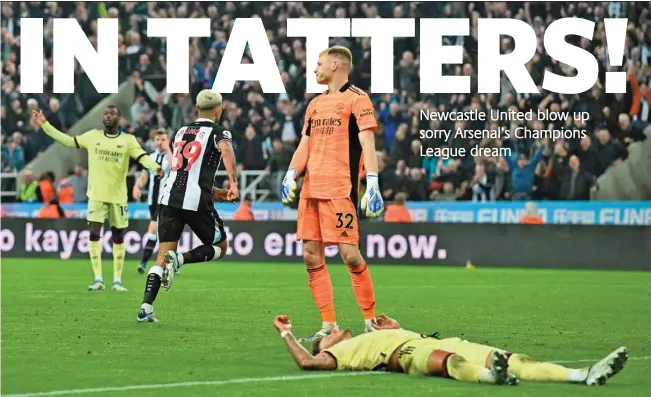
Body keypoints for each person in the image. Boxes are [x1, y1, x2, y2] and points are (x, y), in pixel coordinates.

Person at [280, 46, 385, 341]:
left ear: (337, 65)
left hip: (340, 189)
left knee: (350, 256)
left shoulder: (357, 99)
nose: (314, 69)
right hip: (311, 190)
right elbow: (305, 145)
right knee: (312, 257)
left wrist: (373, 182)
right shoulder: (313, 105)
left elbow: (368, 144)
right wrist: (291, 173)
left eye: (319, 63)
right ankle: (328, 326)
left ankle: (370, 321)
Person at [273, 314, 628, 387]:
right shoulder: (346, 353)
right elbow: (307, 362)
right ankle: (491, 378)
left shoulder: (372, 331)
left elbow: (392, 326)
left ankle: (582, 374)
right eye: (326, 338)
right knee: (450, 364)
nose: (331, 333)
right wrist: (287, 334)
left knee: (515, 358)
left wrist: (392, 324)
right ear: (329, 348)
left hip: (432, 339)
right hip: (408, 354)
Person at [32, 106, 163, 292]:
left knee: (118, 237)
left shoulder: (128, 140)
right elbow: (68, 141)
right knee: (94, 234)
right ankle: (98, 279)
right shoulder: (93, 136)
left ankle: (117, 280)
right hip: (96, 196)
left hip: (118, 197)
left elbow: (142, 157)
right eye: (106, 113)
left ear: (120, 118)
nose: (108, 116)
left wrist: (156, 167)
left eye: (113, 113)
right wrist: (45, 125)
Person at [136, 90, 238, 323]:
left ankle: (146, 307)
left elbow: (185, 170)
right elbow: (226, 150)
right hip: (195, 201)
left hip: (170, 199)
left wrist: (214, 191)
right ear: (219, 109)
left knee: (161, 256)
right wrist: (233, 183)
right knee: (221, 247)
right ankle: (181, 260)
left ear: (196, 108)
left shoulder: (181, 131)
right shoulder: (218, 131)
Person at [132, 129, 173, 275]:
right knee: (165, 235)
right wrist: (137, 186)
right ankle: (171, 264)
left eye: (163, 139)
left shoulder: (171, 156)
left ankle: (143, 263)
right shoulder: (150, 157)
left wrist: (168, 148)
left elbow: (173, 166)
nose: (160, 142)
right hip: (152, 201)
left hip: (166, 200)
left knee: (153, 229)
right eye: (157, 139)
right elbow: (144, 176)